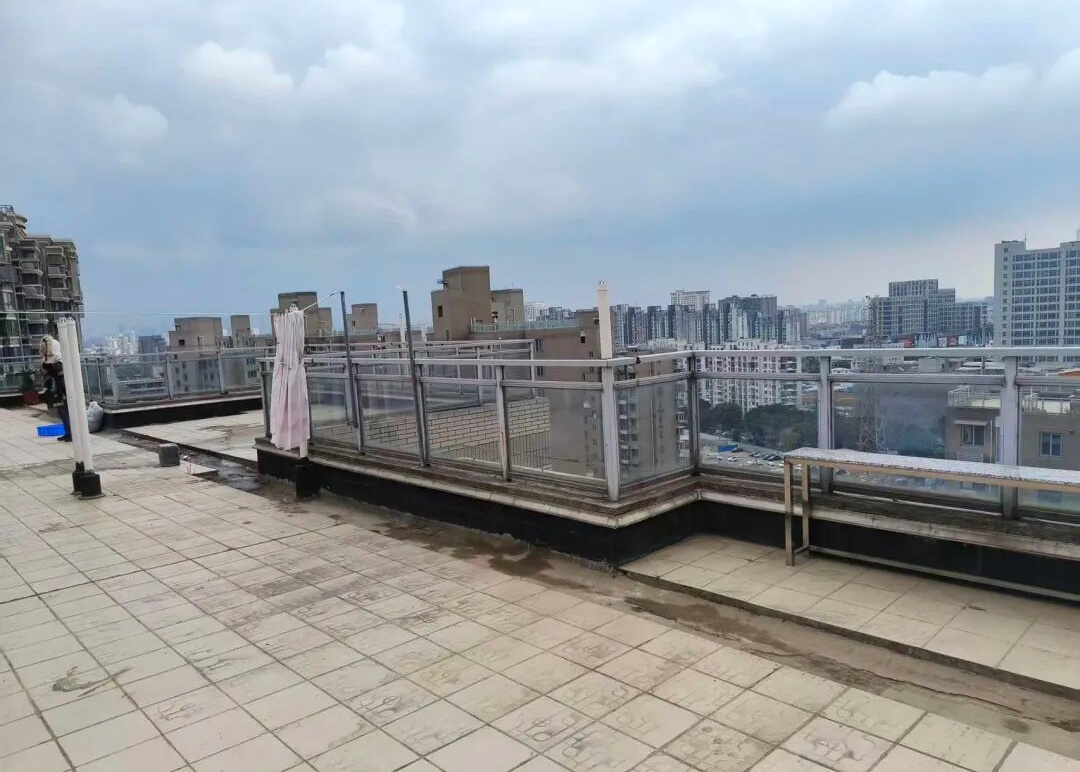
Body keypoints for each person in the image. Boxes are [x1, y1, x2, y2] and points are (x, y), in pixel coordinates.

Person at [42, 361, 72, 442]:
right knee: (62, 414)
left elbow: (62, 386)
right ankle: (67, 433)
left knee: (65, 415)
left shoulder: (59, 376)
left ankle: (70, 433)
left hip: (62, 397)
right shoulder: (54, 377)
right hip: (59, 397)